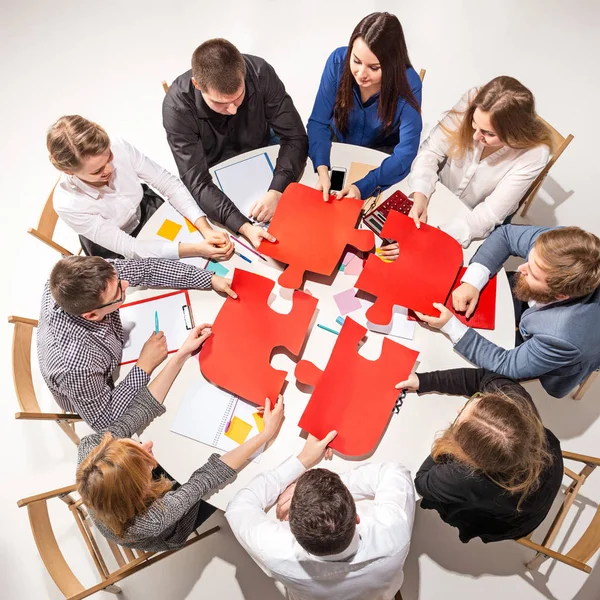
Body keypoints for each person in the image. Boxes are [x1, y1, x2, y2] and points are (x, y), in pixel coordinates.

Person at [77, 328, 285, 552]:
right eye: (145, 458)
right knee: (230, 489)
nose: (148, 444)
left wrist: (181, 354)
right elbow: (207, 477)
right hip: (172, 527)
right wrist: (266, 434)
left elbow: (141, 409)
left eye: (134, 444)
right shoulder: (152, 519)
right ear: (142, 487)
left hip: (129, 497)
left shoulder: (93, 447)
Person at [37, 255, 236, 430]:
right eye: (119, 294)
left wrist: (209, 279)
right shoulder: (75, 366)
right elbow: (105, 420)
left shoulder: (94, 276)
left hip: (110, 349)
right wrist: (144, 365)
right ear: (92, 315)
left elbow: (146, 269)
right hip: (97, 387)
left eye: (119, 278)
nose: (126, 285)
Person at [414, 224, 600, 398]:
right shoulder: (561, 248)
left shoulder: (564, 337)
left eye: (533, 273)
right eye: (530, 259)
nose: (521, 267)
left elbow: (506, 364)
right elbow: (506, 234)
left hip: (572, 346)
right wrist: (472, 281)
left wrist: (451, 326)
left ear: (559, 295)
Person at [225, 432, 415, 600]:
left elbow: (238, 508)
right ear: (356, 516)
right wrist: (338, 489)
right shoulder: (394, 530)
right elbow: (395, 472)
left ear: (291, 528)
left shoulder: (277, 555)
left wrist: (301, 462)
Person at [379, 76, 552, 255]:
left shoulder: (534, 154)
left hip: (472, 218)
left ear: (514, 134)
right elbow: (431, 150)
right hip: (437, 191)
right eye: (474, 124)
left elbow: (488, 215)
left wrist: (430, 238)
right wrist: (421, 193)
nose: (476, 137)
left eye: (488, 133)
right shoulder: (473, 100)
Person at [163, 38, 308, 246]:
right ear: (197, 85)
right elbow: (197, 181)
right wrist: (244, 227)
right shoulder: (177, 107)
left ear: (244, 74)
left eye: (238, 97)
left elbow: (294, 136)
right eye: (220, 102)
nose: (232, 109)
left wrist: (277, 191)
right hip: (214, 168)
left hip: (262, 148)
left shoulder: (260, 72)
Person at [395, 368, 563, 543]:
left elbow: (423, 482)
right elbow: (483, 377)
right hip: (549, 470)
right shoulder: (516, 402)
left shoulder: (466, 478)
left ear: (468, 455)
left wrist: (447, 443)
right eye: (474, 401)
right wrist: (425, 380)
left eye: (458, 420)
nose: (459, 407)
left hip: (516, 518)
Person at [48, 115, 233, 261]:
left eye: (109, 156)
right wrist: (197, 249)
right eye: (97, 171)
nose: (110, 169)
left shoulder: (118, 145)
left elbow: (168, 184)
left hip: (145, 209)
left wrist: (206, 229)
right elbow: (130, 248)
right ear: (69, 171)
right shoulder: (68, 204)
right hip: (114, 247)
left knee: (188, 235)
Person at [307, 12, 422, 202]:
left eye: (374, 68)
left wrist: (364, 186)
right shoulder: (337, 61)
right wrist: (322, 168)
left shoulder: (409, 83)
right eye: (356, 61)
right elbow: (318, 122)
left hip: (382, 156)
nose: (361, 74)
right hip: (338, 145)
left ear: (393, 64)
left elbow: (406, 152)